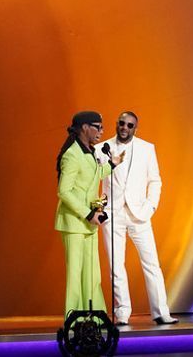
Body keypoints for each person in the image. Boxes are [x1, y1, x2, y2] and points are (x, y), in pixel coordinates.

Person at [96, 111, 177, 326]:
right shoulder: (101, 149)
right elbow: (93, 180)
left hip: (140, 214)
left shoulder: (146, 148)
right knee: (116, 266)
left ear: (135, 128)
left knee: (151, 263)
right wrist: (99, 209)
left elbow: (155, 180)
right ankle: (122, 313)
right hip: (113, 214)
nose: (125, 128)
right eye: (122, 123)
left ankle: (161, 311)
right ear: (117, 124)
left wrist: (150, 206)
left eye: (130, 125)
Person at [55, 111, 121, 318]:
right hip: (75, 222)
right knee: (75, 274)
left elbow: (92, 176)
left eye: (102, 127)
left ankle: (93, 317)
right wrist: (87, 213)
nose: (102, 131)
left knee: (92, 273)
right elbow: (64, 191)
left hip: (89, 223)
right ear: (84, 127)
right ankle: (73, 320)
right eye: (98, 127)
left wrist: (112, 165)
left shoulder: (89, 151)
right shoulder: (72, 154)